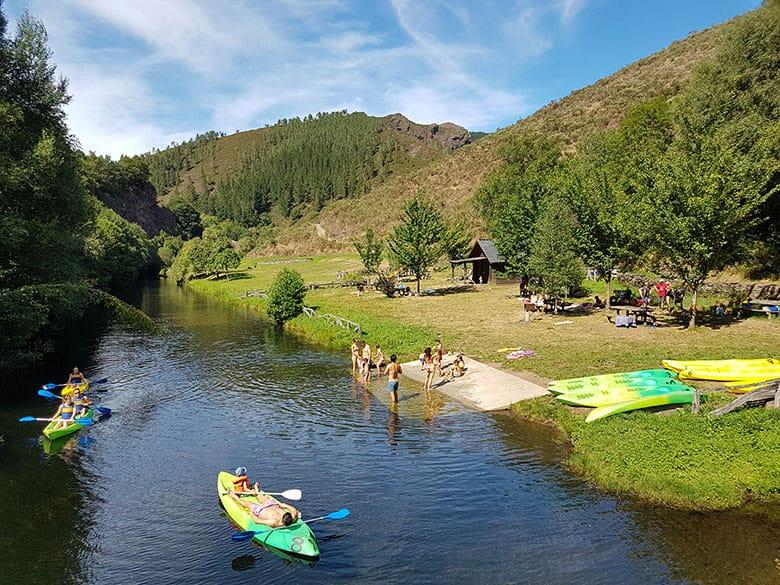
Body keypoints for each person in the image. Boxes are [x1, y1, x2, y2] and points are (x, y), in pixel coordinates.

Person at [230, 492, 299, 528]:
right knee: (261, 497)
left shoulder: (274, 522)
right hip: (273, 505)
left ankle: (234, 496)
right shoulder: (293, 515)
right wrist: (283, 505)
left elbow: (257, 521)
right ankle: (254, 491)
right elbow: (292, 509)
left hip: (261, 510)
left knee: (247, 504)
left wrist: (251, 513)